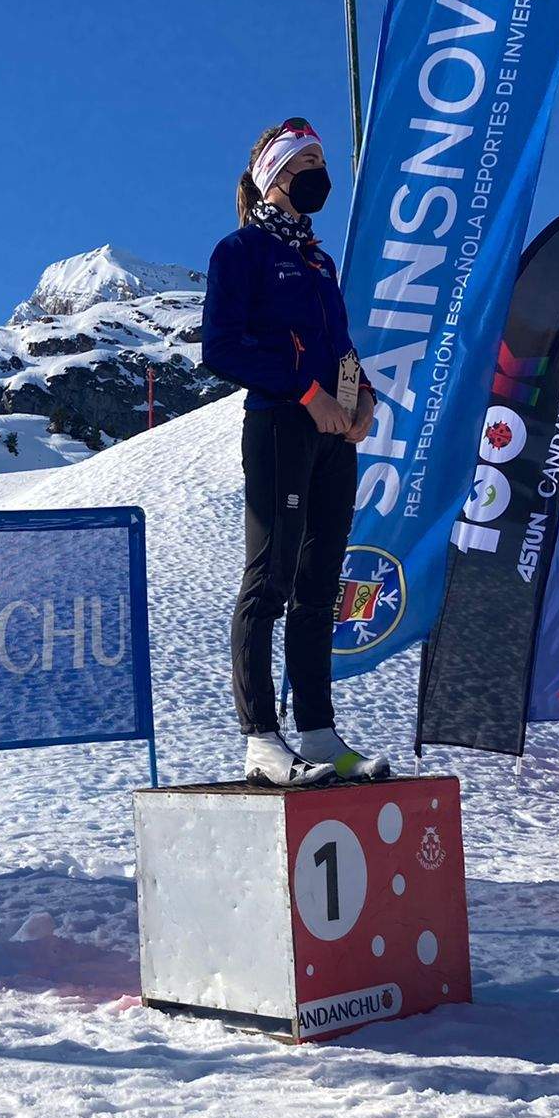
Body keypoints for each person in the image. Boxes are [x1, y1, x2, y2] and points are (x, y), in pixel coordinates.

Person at [201, 118, 385, 787]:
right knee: (270, 581)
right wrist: (309, 394)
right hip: (281, 424)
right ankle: (260, 739)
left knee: (319, 588)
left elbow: (337, 340)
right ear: (272, 177)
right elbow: (221, 347)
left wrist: (364, 397)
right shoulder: (241, 250)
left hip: (336, 434)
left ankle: (318, 731)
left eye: (321, 159)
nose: (319, 171)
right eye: (306, 160)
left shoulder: (317, 259)